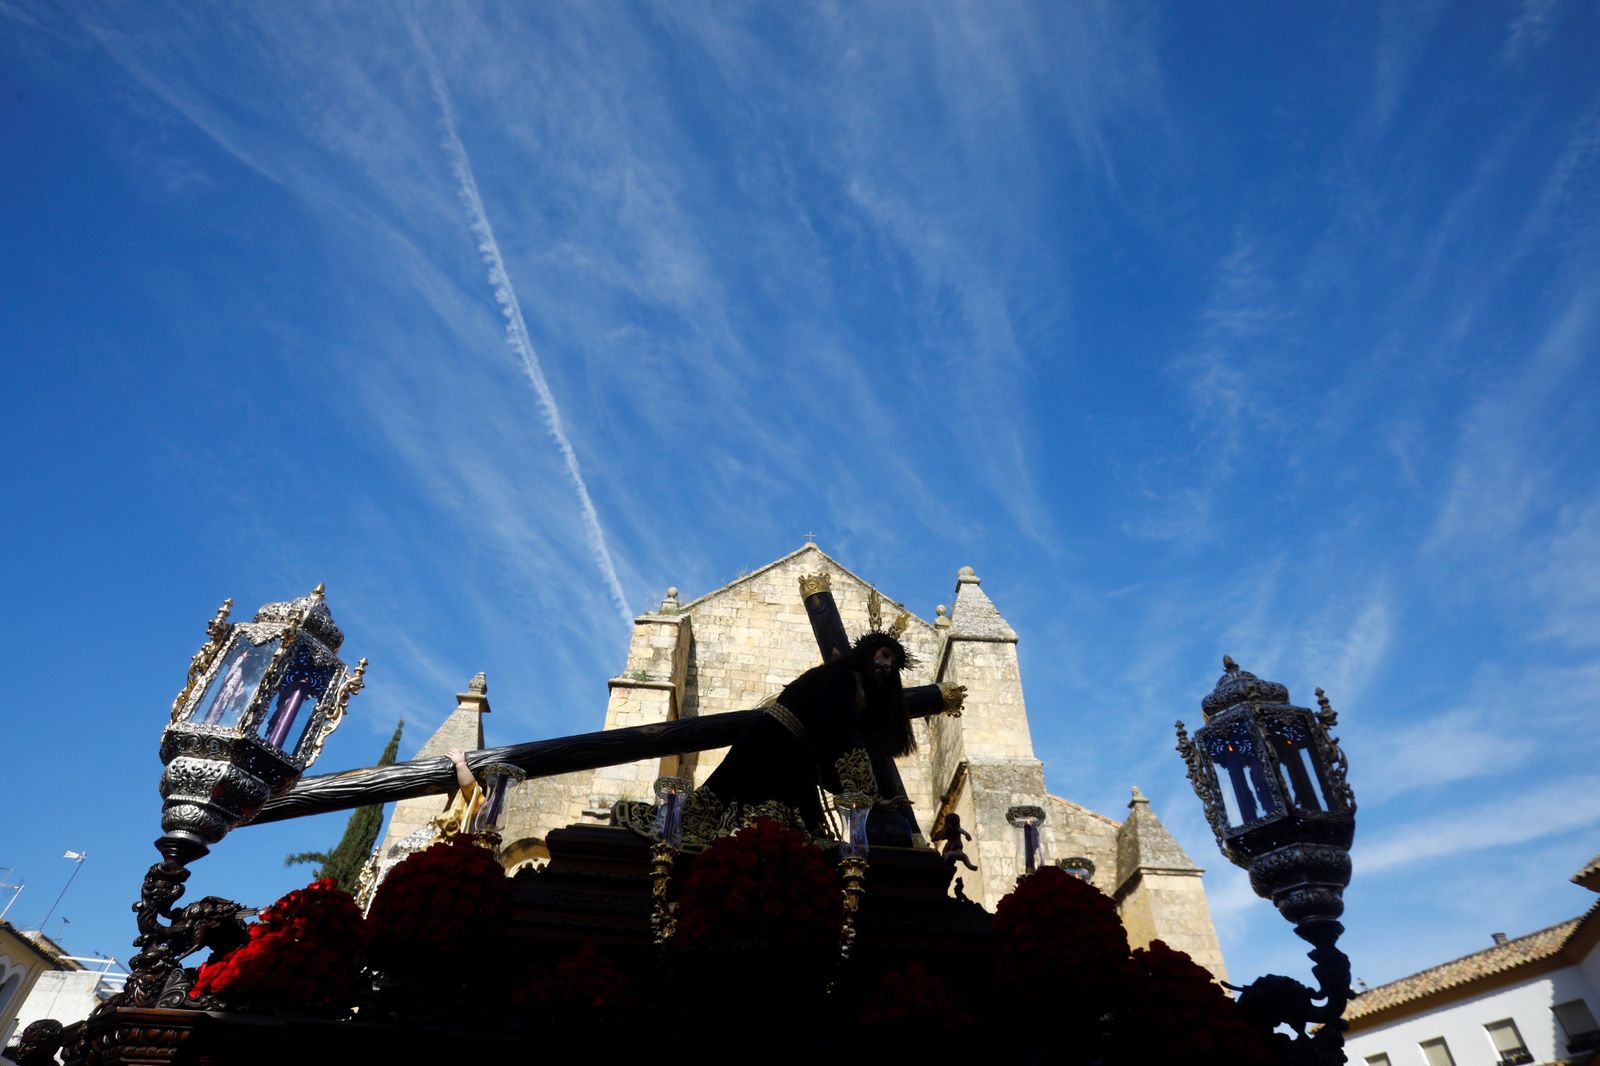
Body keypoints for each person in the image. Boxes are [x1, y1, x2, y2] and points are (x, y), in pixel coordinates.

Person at [618, 631, 919, 847]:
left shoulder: (851, 685)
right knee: (755, 823)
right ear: (868, 652)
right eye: (884, 655)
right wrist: (868, 796)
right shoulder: (841, 678)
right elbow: (843, 739)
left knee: (793, 833)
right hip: (772, 745)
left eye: (892, 662)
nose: (887, 665)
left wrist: (863, 795)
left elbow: (830, 743)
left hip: (790, 752)